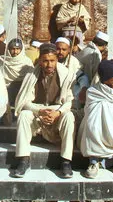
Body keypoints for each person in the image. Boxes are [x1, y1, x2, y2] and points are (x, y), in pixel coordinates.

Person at [12, 43, 76, 179]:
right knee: (24, 115)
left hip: (56, 112)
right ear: (40, 61)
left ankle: (66, 161)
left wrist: (57, 113)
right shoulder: (32, 75)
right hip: (38, 112)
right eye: (45, 61)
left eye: (52, 60)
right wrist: (39, 111)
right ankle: (23, 159)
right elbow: (24, 102)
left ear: (56, 60)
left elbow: (69, 102)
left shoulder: (65, 74)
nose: (49, 65)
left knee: (69, 116)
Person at [0, 38, 34, 105]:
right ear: (8, 50)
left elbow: (31, 79)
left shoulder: (27, 62)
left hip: (22, 91)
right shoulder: (2, 61)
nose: (15, 52)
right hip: (5, 92)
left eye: (17, 49)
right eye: (13, 49)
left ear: (21, 49)